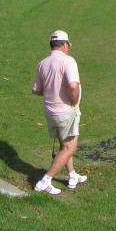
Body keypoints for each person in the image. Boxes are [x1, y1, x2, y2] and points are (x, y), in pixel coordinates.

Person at [31, 29, 87, 194]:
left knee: (64, 144)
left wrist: (52, 90)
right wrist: (74, 100)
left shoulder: (42, 63)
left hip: (50, 112)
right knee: (70, 148)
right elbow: (73, 86)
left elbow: (36, 90)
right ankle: (45, 181)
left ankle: (72, 176)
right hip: (65, 112)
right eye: (68, 45)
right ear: (64, 45)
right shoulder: (68, 61)